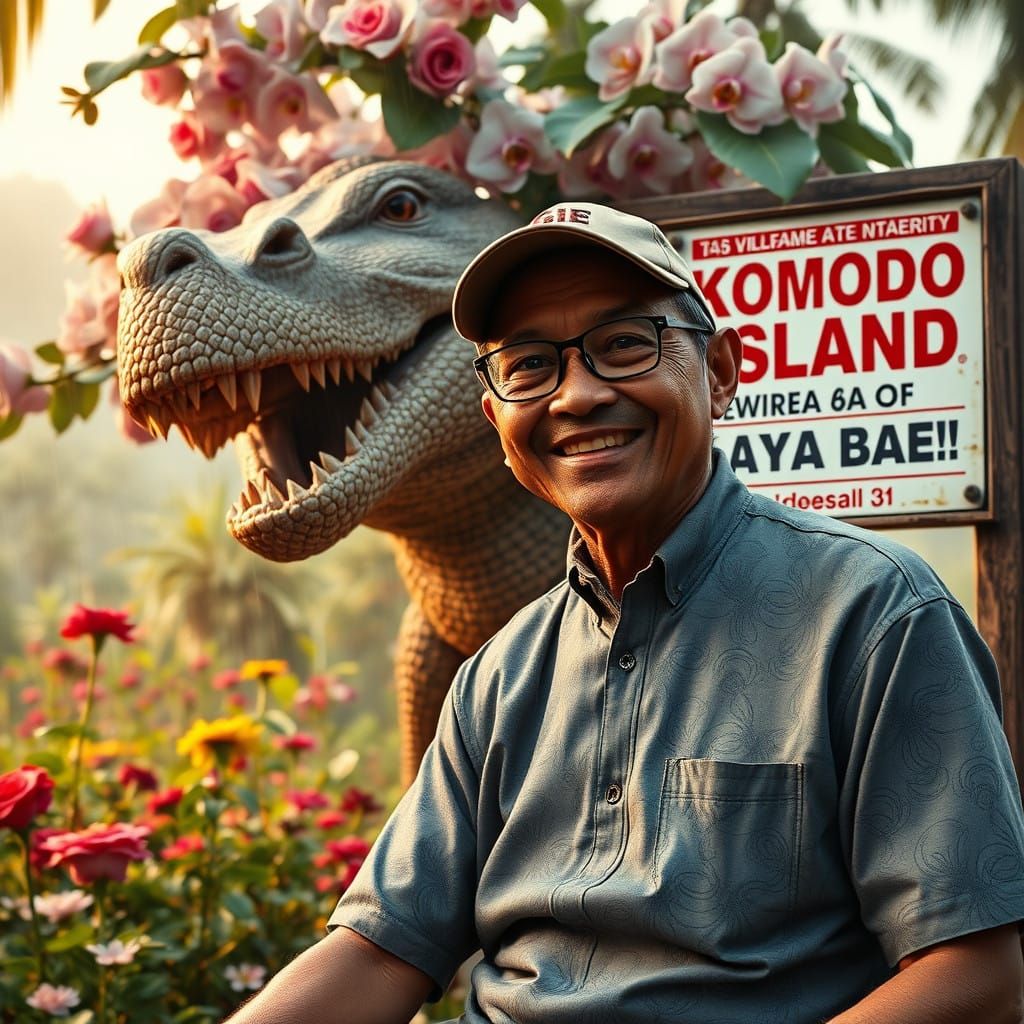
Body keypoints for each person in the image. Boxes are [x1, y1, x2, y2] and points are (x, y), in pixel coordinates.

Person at [227, 203, 1024, 1023]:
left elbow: (977, 977)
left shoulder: (873, 614)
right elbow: (377, 950)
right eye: (530, 365)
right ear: (496, 419)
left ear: (720, 370)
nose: (575, 395)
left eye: (623, 345)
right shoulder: (501, 674)